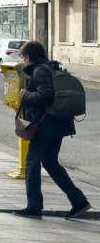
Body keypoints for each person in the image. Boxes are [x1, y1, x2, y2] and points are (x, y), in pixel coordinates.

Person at [14, 41, 91, 219]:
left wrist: (26, 94)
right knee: (50, 163)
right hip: (58, 124)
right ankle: (79, 201)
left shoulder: (40, 71)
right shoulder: (51, 67)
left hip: (45, 125)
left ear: (28, 57)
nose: (23, 61)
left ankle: (34, 206)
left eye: (23, 57)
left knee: (32, 163)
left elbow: (45, 96)